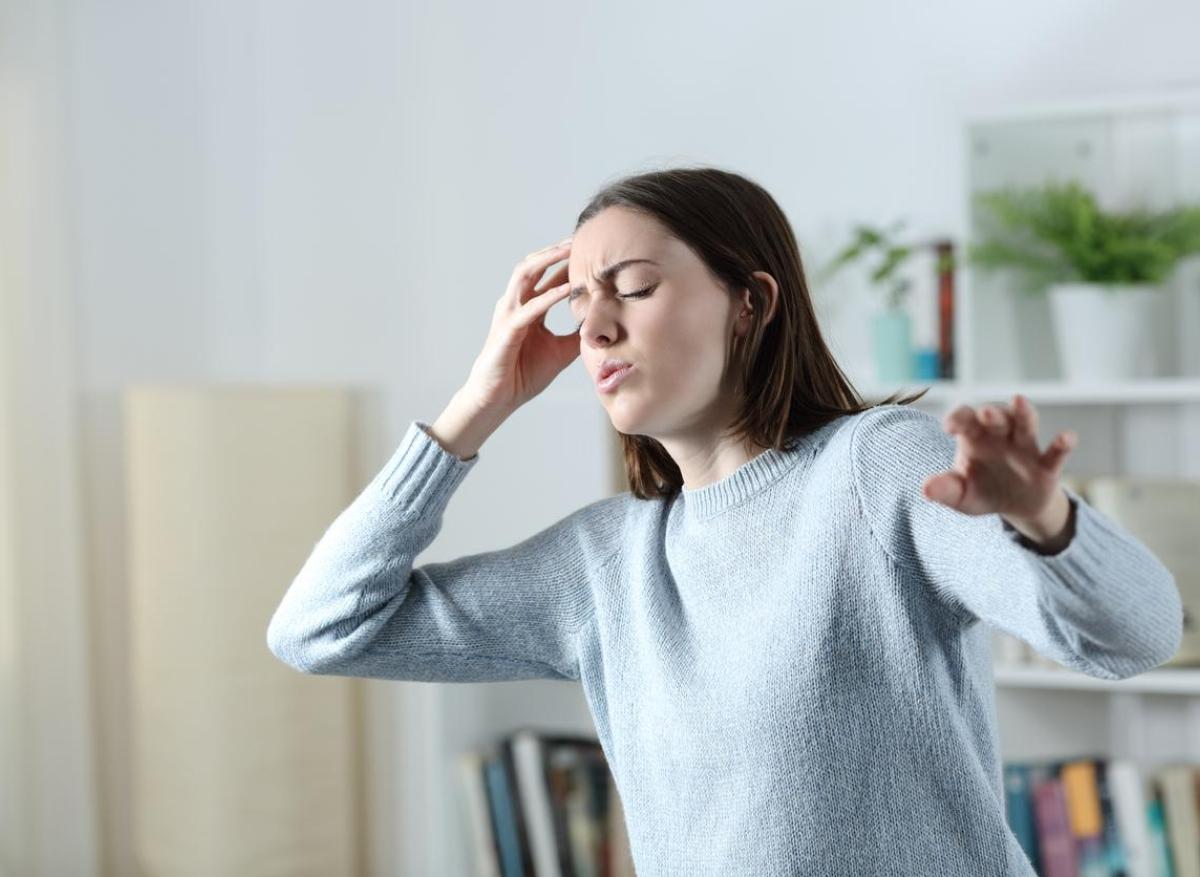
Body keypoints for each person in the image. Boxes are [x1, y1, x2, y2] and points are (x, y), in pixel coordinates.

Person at [266, 166, 1183, 876]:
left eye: (631, 285)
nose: (594, 327)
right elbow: (321, 628)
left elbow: (1134, 636)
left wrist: (1044, 517)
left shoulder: (874, 467)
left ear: (750, 301)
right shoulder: (605, 565)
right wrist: (477, 403)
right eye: (579, 301)